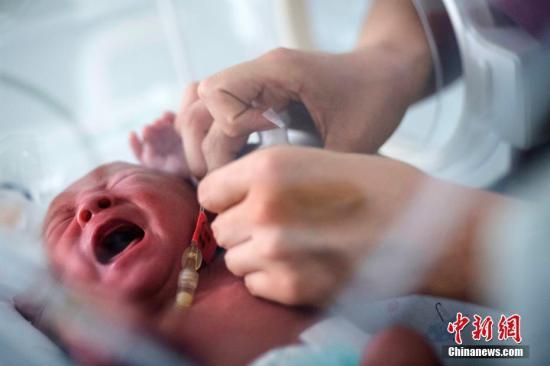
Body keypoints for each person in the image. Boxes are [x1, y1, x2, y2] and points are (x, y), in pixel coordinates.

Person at [38, 112, 443, 366]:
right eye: (63, 222)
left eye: (120, 180)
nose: (91, 204)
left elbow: (259, 187)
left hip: (347, 355)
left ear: (202, 207)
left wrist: (194, 170)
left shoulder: (240, 240)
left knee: (400, 349)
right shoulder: (121, 331)